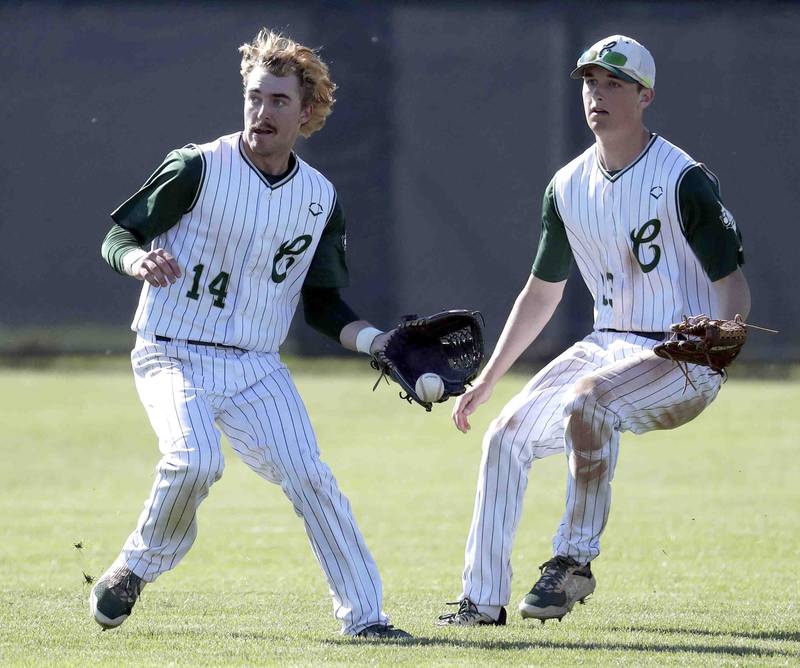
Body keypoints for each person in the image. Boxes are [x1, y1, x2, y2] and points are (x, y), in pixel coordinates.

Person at [91, 27, 410, 640]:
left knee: (312, 479)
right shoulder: (197, 167)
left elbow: (322, 305)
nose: (262, 112)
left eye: (279, 101)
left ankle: (367, 619)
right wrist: (136, 261)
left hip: (257, 366)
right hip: (172, 351)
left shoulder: (319, 198)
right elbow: (118, 236)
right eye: (255, 97)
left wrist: (378, 343)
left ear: (308, 111)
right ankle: (136, 566)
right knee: (194, 463)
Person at [436, 35, 750, 627]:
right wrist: (488, 378)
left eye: (613, 84)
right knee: (504, 437)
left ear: (644, 95)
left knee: (589, 400)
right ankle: (480, 603)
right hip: (606, 344)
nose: (597, 95)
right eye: (589, 82)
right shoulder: (567, 186)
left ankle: (573, 562)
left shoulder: (682, 179)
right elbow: (542, 292)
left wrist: (726, 341)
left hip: (680, 354)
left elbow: (732, 282)